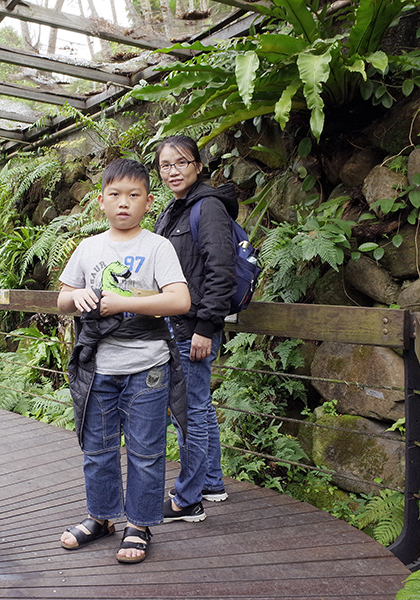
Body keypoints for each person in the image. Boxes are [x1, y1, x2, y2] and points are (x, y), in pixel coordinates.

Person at [57, 158, 190, 564]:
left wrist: (126, 302)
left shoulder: (157, 246)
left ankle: (139, 524)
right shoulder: (89, 247)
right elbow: (62, 297)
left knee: (146, 452)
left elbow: (180, 300)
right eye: (114, 195)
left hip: (147, 367)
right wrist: (76, 298)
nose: (123, 203)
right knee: (97, 449)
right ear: (100, 201)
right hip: (98, 366)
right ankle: (101, 518)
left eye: (133, 195)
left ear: (149, 202)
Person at [153, 135, 237, 523]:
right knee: (197, 407)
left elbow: (221, 272)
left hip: (193, 328)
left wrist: (206, 326)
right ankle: (211, 483)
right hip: (175, 325)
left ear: (198, 167)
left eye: (181, 162)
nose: (173, 171)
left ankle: (187, 499)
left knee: (189, 410)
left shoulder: (209, 208)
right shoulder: (174, 211)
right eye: (165, 165)